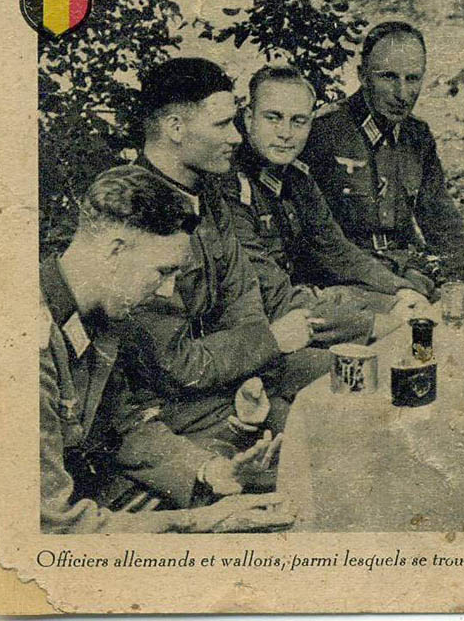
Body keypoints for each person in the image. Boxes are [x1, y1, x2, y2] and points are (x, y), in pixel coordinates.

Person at [41, 165, 293, 533]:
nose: (166, 290)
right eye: (163, 271)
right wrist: (195, 522)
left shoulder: (97, 316)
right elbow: (55, 528)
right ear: (115, 250)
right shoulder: (27, 341)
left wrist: (209, 470)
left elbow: (123, 425)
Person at [121, 57, 330, 464]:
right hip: (176, 410)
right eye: (221, 125)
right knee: (318, 451)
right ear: (175, 128)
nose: (236, 137)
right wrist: (269, 343)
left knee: (354, 381)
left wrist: (257, 364)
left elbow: (243, 297)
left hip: (239, 375)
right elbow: (175, 366)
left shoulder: (207, 194)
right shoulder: (135, 211)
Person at [226, 64, 431, 333]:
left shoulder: (297, 178)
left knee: (414, 315)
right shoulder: (231, 186)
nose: (285, 133)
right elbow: (271, 294)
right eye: (273, 118)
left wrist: (400, 289)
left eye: (298, 121)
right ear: (249, 118)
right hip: (262, 327)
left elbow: (336, 249)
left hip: (304, 308)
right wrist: (378, 319)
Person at [303, 21, 464, 287]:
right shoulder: (324, 131)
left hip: (407, 270)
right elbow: (313, 237)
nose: (402, 94)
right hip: (344, 279)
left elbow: (442, 222)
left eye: (412, 79)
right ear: (363, 76)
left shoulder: (417, 136)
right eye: (388, 77)